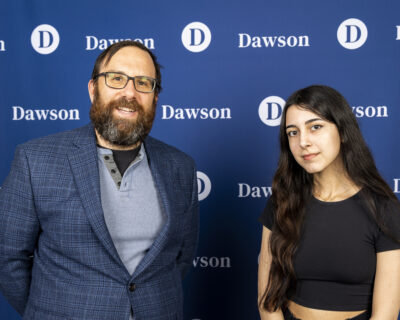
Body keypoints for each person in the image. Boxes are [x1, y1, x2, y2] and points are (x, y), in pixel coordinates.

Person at [0, 40, 199, 320]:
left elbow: (180, 258)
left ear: (155, 97)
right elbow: (8, 258)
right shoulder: (36, 160)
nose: (130, 92)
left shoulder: (181, 167)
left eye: (143, 83)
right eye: (117, 79)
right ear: (94, 89)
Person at [258, 85, 400, 320]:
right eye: (293, 132)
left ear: (342, 131)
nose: (303, 141)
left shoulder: (383, 208)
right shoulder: (282, 200)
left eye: (315, 127)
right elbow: (267, 297)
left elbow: (386, 313)